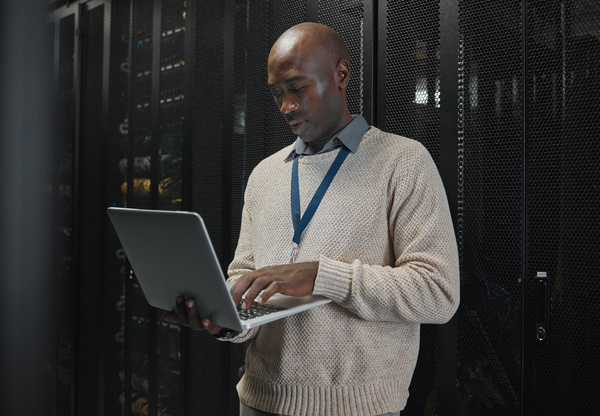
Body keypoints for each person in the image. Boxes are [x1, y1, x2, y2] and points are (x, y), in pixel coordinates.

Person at [163, 22, 459, 416]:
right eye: (276, 94)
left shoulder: (403, 161)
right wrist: (225, 318)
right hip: (258, 401)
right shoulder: (266, 174)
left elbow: (438, 292)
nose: (286, 105)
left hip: (359, 409)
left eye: (298, 88)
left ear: (341, 75)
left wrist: (321, 276)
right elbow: (245, 275)